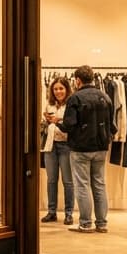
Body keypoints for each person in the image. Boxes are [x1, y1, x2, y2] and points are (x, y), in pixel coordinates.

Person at [61, 64, 116, 233]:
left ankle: (85, 223)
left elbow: (69, 125)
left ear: (78, 80)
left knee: (82, 185)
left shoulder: (75, 98)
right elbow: (112, 126)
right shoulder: (105, 97)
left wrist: (57, 123)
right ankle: (102, 223)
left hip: (81, 148)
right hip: (101, 147)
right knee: (99, 184)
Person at [40, 75, 75, 225]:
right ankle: (52, 212)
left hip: (66, 145)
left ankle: (69, 213)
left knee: (68, 181)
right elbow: (44, 125)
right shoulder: (49, 105)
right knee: (51, 180)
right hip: (50, 145)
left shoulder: (71, 105)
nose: (58, 91)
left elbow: (72, 124)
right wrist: (45, 121)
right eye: (55, 89)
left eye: (61, 88)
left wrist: (58, 120)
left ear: (67, 89)